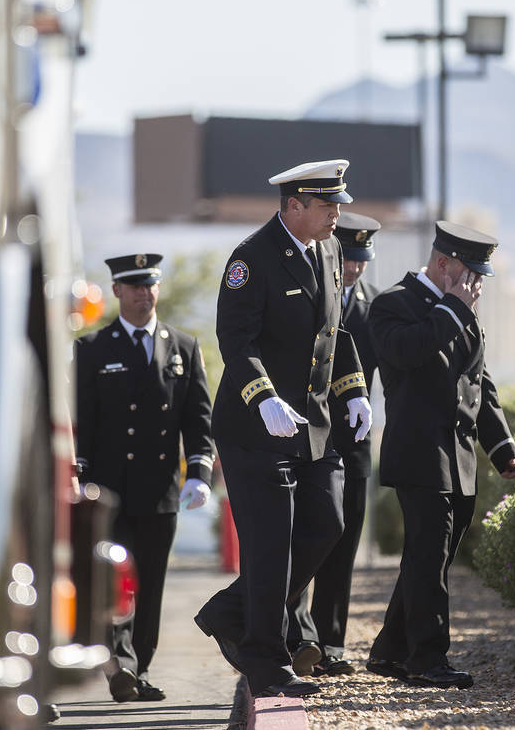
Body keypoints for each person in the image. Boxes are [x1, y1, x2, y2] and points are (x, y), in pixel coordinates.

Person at [194, 160, 374, 699]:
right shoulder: (251, 259)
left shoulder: (329, 250)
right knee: (271, 543)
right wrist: (264, 397)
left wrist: (355, 389)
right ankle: (266, 658)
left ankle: (230, 611)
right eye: (327, 206)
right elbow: (236, 340)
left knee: (327, 523)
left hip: (312, 425)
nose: (337, 215)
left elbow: (334, 335)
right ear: (293, 206)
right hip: (257, 425)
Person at [364, 221, 515, 689]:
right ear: (442, 264)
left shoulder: (463, 310)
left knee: (428, 559)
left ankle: (390, 651)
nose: (476, 285)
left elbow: (479, 385)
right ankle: (427, 660)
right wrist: (454, 308)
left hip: (460, 459)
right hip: (419, 454)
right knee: (428, 560)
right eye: (470, 273)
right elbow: (408, 352)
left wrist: (501, 446)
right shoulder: (393, 304)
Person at [74, 254, 215, 702]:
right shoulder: (92, 349)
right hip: (107, 491)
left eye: (150, 284)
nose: (143, 293)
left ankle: (140, 666)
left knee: (151, 584)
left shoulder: (183, 347)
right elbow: (81, 420)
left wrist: (198, 472)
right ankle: (121, 663)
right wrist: (76, 476)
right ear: (116, 291)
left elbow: (198, 420)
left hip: (160, 492)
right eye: (133, 285)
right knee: (116, 580)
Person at [287, 211, 382, 677]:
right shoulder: (309, 293)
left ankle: (331, 641)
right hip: (310, 438)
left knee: (343, 543)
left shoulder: (375, 306)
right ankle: (297, 635)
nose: (355, 270)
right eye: (349, 259)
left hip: (355, 443)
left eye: (363, 261)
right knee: (308, 538)